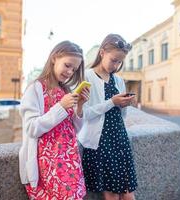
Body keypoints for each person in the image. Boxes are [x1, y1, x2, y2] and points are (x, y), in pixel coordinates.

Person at [19, 41, 89, 200]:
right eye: (67, 65)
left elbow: (73, 130)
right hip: (48, 165)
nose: (70, 71)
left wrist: (79, 107)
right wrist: (61, 107)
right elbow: (31, 128)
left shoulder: (66, 90)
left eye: (74, 69)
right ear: (54, 58)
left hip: (69, 161)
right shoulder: (35, 88)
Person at [79, 34, 138, 200]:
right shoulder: (87, 77)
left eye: (120, 62)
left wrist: (124, 105)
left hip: (119, 138)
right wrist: (112, 102)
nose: (116, 65)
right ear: (102, 52)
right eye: (114, 60)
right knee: (111, 195)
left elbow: (122, 115)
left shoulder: (118, 80)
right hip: (100, 143)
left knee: (129, 194)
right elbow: (84, 114)